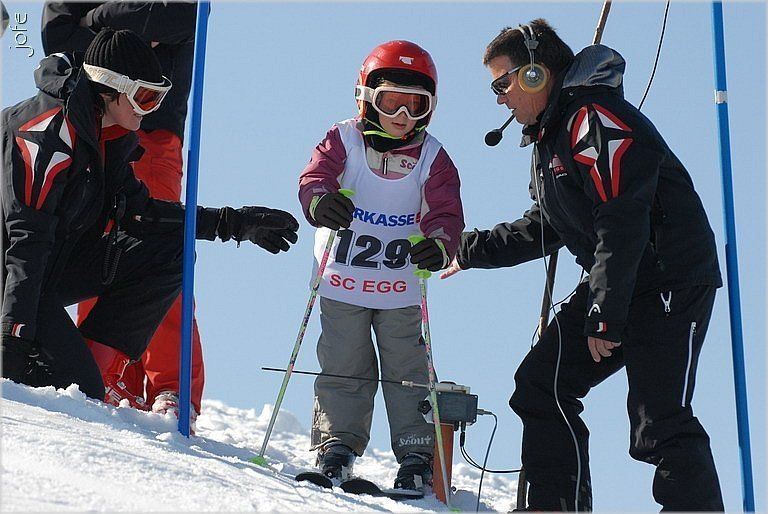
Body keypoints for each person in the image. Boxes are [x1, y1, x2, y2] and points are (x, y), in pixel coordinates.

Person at [441, 19, 724, 511]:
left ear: (535, 74)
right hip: (617, 281)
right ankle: (555, 505)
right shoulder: (553, 135)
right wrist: (466, 251)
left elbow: (622, 214)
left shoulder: (593, 119)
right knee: (541, 385)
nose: (500, 99)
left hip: (666, 278)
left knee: (659, 418)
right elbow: (546, 226)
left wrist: (604, 311)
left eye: (502, 84)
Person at [1, 29, 298, 414]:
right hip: (16, 276)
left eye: (157, 97)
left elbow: (141, 214)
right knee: (74, 388)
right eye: (144, 97)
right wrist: (12, 344)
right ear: (111, 89)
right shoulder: (47, 133)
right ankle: (49, 372)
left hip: (41, 274)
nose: (150, 110)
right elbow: (26, 242)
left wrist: (231, 223)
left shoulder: (107, 134)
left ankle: (95, 373)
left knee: (171, 250)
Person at [298, 40, 464, 491]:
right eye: (391, 102)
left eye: (416, 105)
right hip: (343, 281)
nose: (402, 116)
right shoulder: (344, 140)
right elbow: (314, 178)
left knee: (407, 370)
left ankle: (416, 453)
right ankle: (337, 444)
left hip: (399, 288)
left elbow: (446, 213)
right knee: (344, 363)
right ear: (367, 97)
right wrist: (321, 202)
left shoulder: (432, 157)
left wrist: (439, 244)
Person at [41, 1, 206, 420]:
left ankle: (170, 386)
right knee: (96, 248)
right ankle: (106, 376)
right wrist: (126, 32)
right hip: (88, 126)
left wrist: (94, 22)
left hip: (150, 131)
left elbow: (182, 16)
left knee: (157, 245)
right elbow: (56, 34)